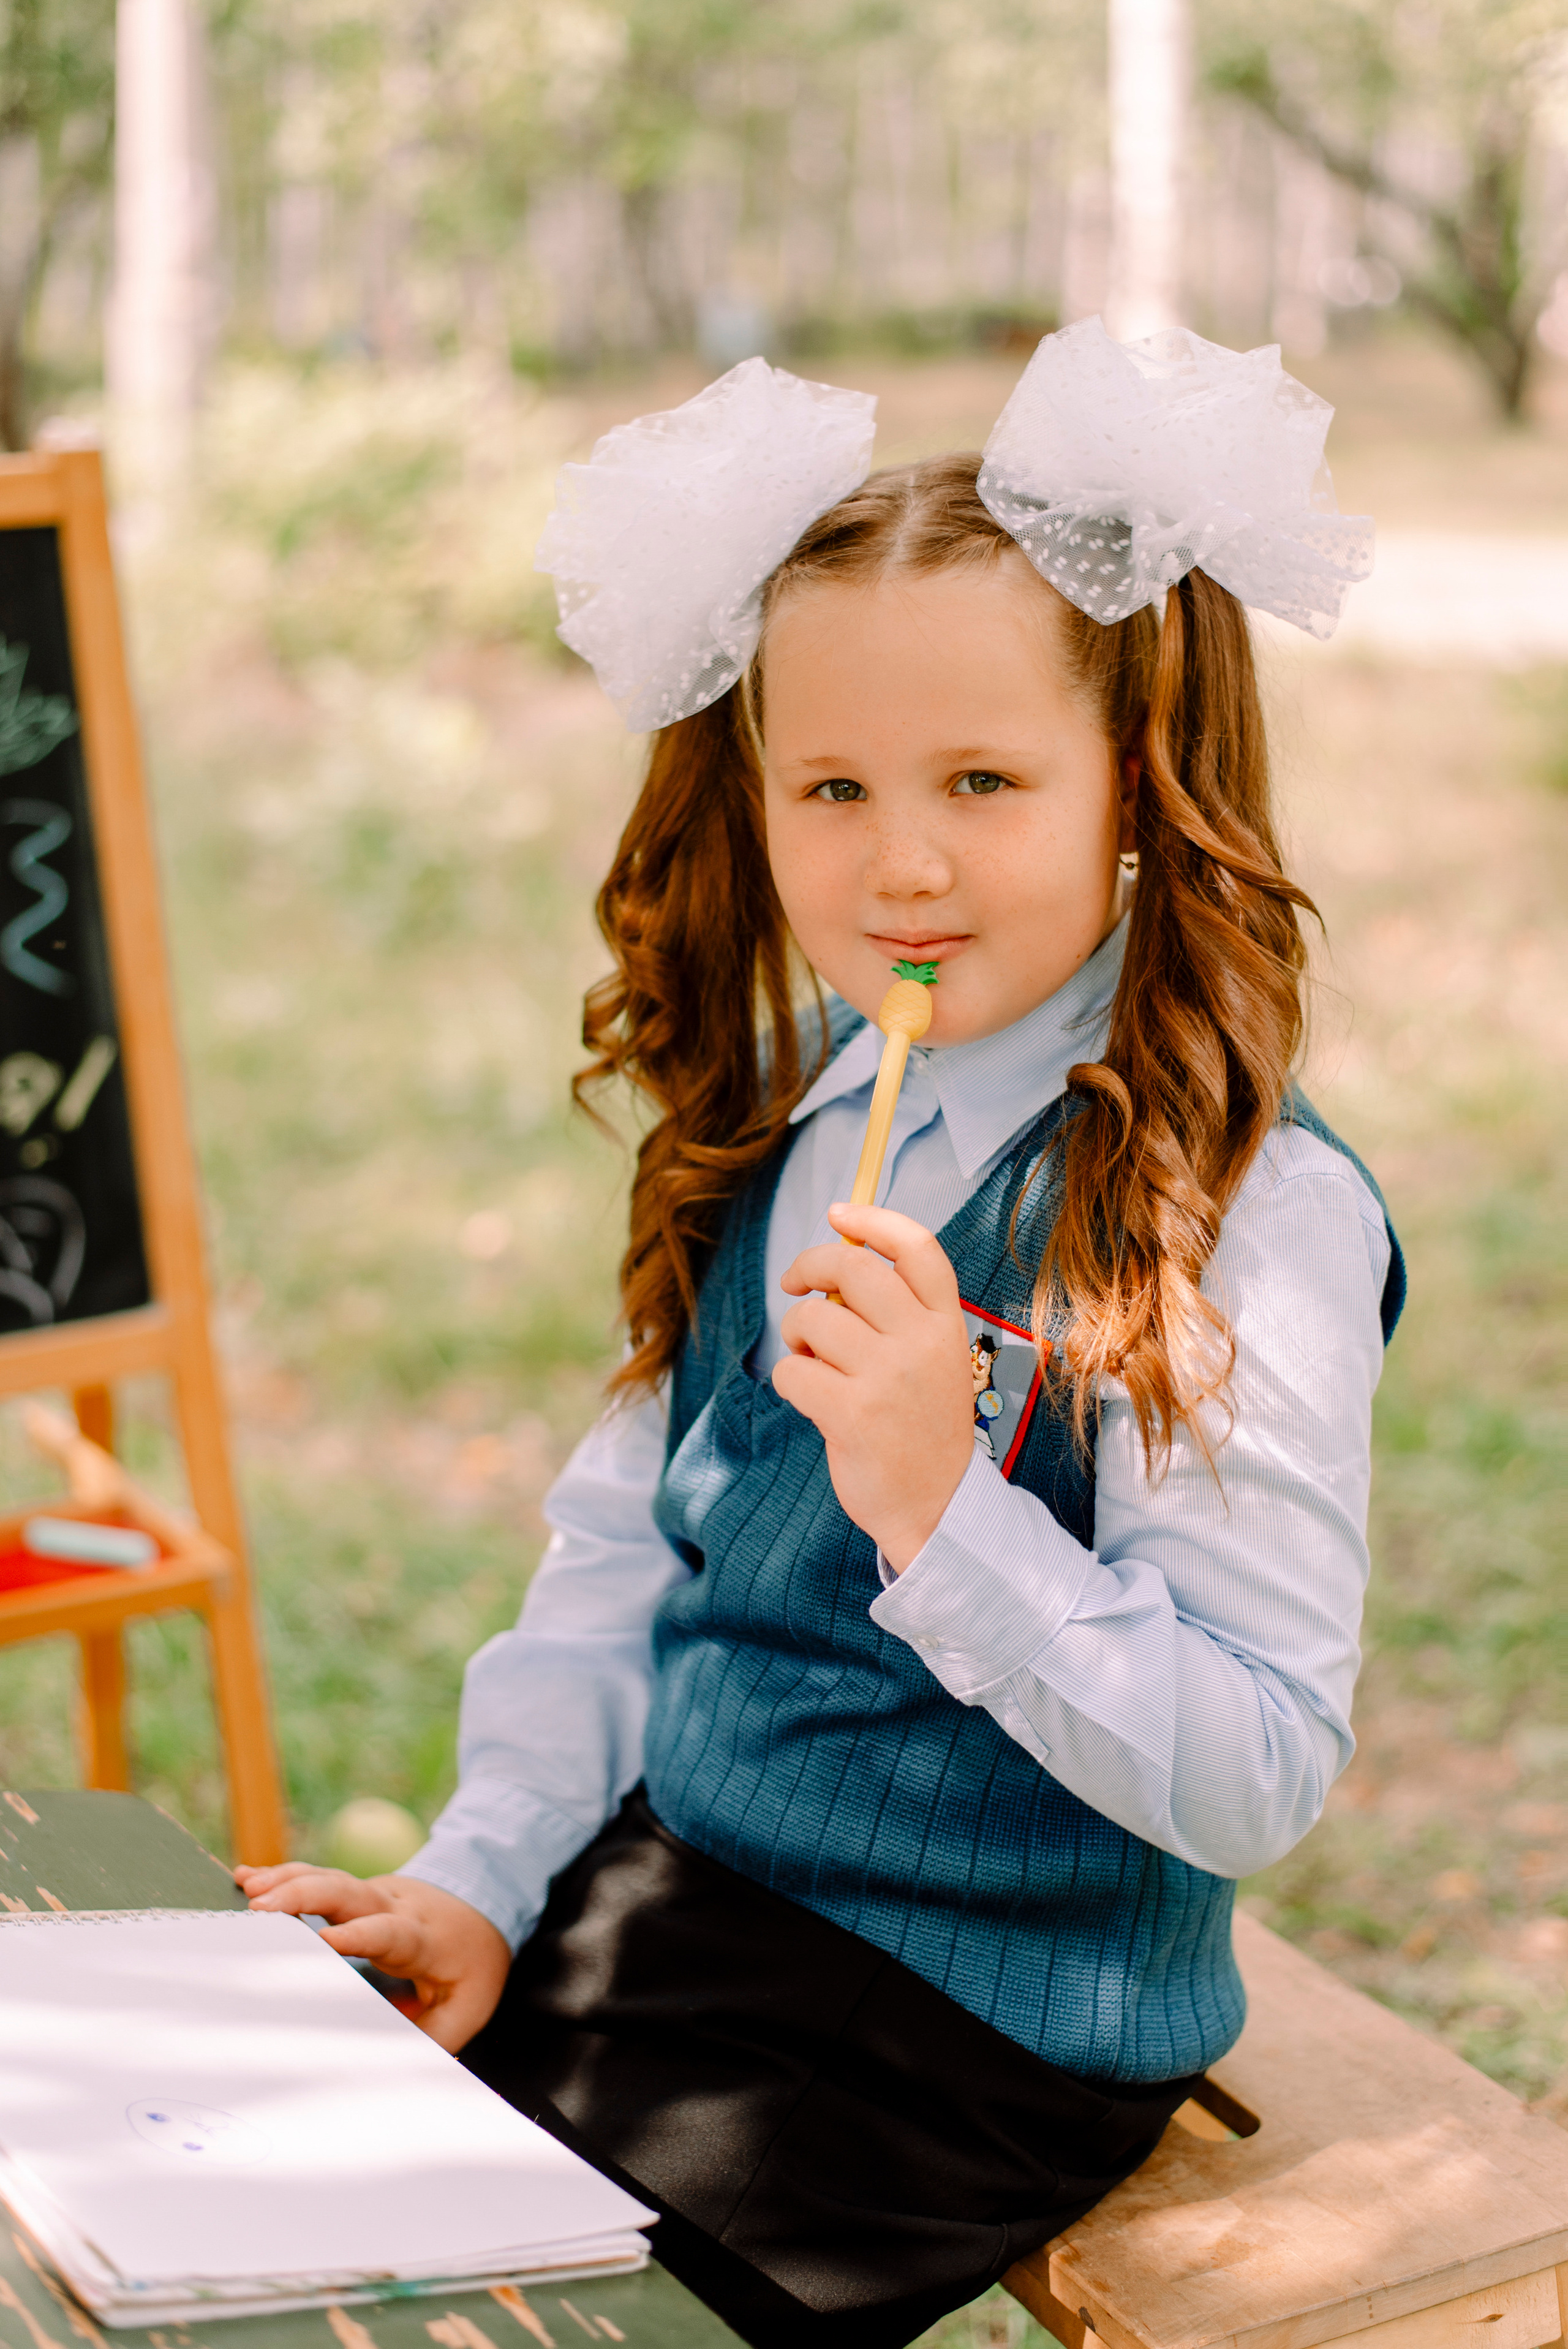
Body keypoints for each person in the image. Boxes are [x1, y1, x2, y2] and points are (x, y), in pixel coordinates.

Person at [237, 320, 1402, 2349]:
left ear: (1133, 784)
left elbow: (1259, 1773)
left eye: (984, 781)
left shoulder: (1241, 1211)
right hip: (681, 1899)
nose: (905, 862)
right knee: (292, 2236)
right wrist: (482, 1875)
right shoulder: (788, 1099)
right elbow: (630, 1551)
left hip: (957, 2019)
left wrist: (945, 1505)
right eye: (835, 787)